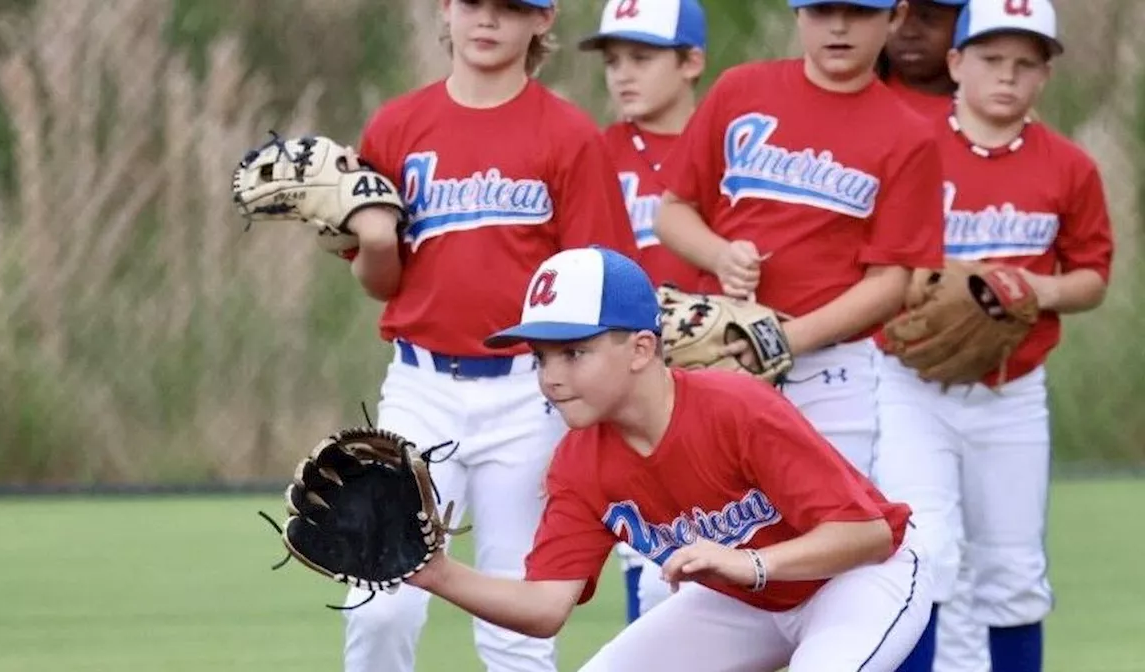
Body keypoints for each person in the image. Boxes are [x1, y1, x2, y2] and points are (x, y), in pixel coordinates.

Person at [404, 246, 932, 672]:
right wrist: (437, 574)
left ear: (639, 349)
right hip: (749, 603)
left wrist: (751, 564)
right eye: (540, 357)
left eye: (574, 352)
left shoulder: (735, 408)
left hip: (861, 582)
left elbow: (868, 536)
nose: (551, 376)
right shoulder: (578, 464)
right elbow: (545, 607)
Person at [339, 0, 640, 670]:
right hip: (420, 386)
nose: (487, 19)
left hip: (530, 394)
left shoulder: (568, 135)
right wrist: (378, 241)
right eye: (473, 2)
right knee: (380, 599)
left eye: (511, 6)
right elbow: (378, 283)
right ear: (446, 10)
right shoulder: (396, 126)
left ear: (542, 20)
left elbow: (599, 283)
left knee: (517, 624)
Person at [873, 2, 1114, 671]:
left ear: (1045, 76)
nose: (1006, 76)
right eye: (990, 58)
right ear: (955, 63)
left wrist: (1034, 290)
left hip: (1011, 392)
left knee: (1013, 571)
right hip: (910, 386)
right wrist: (946, 280)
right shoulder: (910, 150)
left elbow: (1092, 275)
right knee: (925, 557)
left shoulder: (1069, 167)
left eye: (1025, 63)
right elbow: (879, 261)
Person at [653, 0, 945, 479]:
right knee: (720, 528)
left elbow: (890, 281)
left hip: (831, 373)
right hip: (720, 352)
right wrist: (720, 254)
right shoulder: (741, 89)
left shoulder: (908, 134)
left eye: (860, 11)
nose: (839, 26)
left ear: (895, 16)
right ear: (797, 13)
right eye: (822, 9)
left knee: (830, 533)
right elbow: (673, 212)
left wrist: (781, 340)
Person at [576, 0, 710, 624]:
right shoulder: (592, 150)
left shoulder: (733, 144)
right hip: (629, 375)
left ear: (691, 62)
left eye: (642, 57)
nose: (623, 74)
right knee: (651, 558)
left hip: (719, 372)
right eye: (614, 60)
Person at [874, 2, 992, 671]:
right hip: (853, 361)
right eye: (899, 10)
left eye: (934, 12)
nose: (910, 25)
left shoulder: (988, 119)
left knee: (971, 564)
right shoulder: (860, 107)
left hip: (951, 371)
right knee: (915, 551)